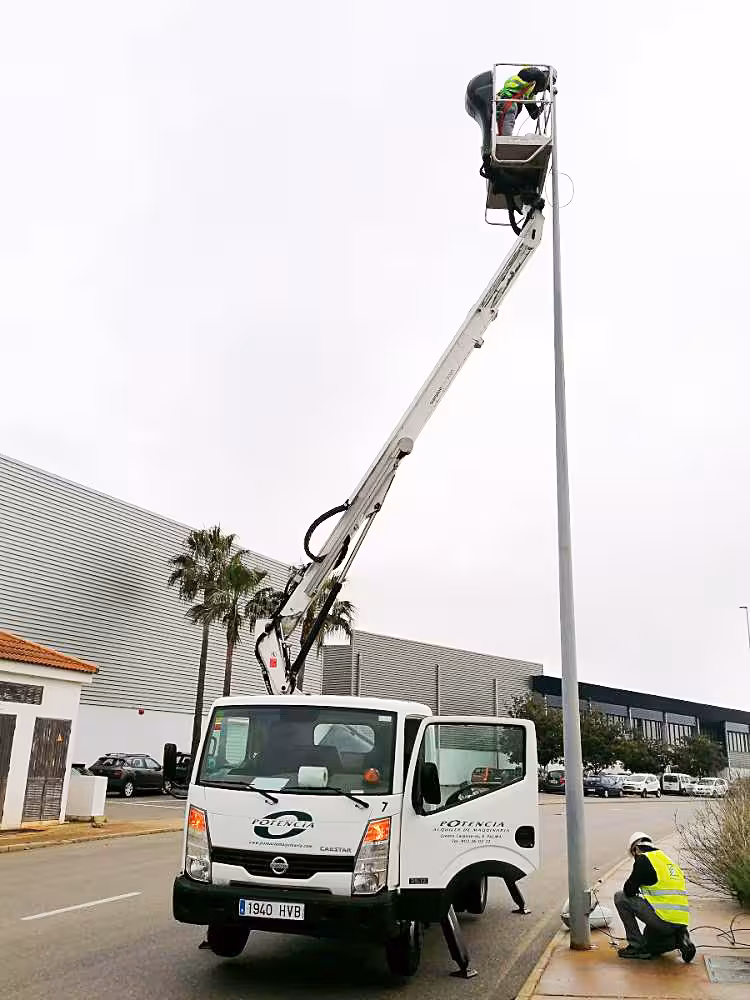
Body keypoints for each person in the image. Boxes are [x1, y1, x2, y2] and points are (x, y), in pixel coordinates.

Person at [614, 831, 696, 962]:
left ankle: (636, 946)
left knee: (620, 897)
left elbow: (628, 891)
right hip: (681, 922)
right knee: (650, 945)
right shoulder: (667, 861)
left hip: (664, 921)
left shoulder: (643, 859)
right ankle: (681, 939)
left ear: (636, 849)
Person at [496, 66, 555, 137]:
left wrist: (542, 107)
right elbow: (538, 74)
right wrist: (549, 86)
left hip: (510, 106)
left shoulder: (530, 93)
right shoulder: (526, 76)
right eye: (549, 83)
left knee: (506, 128)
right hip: (506, 101)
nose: (544, 89)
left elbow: (534, 114)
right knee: (505, 136)